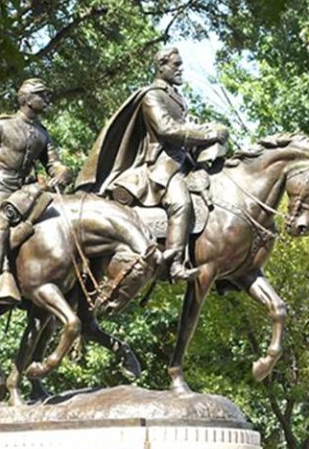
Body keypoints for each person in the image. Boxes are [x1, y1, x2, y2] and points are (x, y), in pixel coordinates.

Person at [76, 47, 228, 282]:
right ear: (161, 66)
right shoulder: (153, 95)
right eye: (176, 65)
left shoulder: (177, 96)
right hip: (161, 165)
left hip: (182, 160)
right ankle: (175, 262)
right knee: (180, 203)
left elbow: (183, 127)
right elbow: (166, 130)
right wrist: (205, 134)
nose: (180, 69)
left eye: (180, 64)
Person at [0, 78, 70, 306]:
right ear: (27, 99)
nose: (47, 99)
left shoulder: (42, 134)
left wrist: (61, 171)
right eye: (42, 95)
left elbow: (53, 162)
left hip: (26, 194)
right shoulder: (3, 125)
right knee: (0, 228)